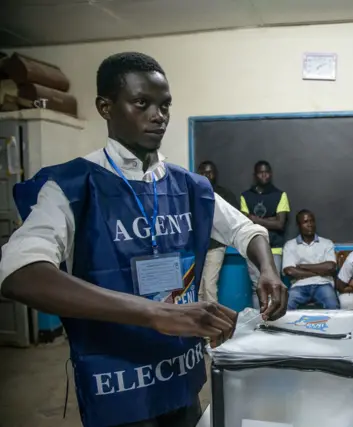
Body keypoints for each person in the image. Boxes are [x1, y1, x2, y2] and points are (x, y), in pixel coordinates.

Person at [0, 52, 288, 427]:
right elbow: (18, 272)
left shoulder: (188, 186)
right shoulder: (72, 186)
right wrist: (156, 313)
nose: (159, 115)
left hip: (180, 371)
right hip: (116, 381)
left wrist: (267, 268)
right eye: (143, 103)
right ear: (105, 107)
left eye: (165, 105)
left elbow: (246, 230)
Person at [241, 160, 290, 309]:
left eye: (267, 172)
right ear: (255, 175)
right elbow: (245, 223)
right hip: (253, 248)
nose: (264, 175)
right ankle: (260, 322)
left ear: (271, 173)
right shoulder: (246, 196)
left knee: (275, 287)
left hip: (274, 248)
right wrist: (270, 219)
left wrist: (255, 219)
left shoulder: (280, 195)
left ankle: (274, 322)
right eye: (261, 172)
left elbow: (280, 224)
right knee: (257, 288)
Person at [196, 160, 240, 303]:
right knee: (197, 289)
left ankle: (213, 322)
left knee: (209, 285)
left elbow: (234, 220)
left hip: (216, 246)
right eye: (202, 173)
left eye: (209, 172)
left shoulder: (224, 195)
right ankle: (198, 322)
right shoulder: (193, 193)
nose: (206, 176)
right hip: (197, 247)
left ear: (215, 174)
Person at [282, 210, 339, 310]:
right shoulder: (290, 245)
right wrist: (320, 270)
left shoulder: (326, 243)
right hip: (299, 286)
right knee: (285, 305)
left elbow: (330, 267)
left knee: (333, 305)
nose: (310, 225)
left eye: (312, 221)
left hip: (322, 284)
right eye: (305, 222)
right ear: (299, 225)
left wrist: (304, 266)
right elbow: (290, 271)